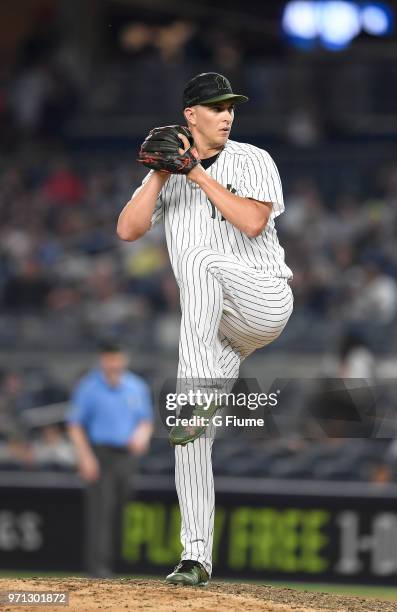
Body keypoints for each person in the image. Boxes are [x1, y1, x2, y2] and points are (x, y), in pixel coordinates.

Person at [117, 72, 293, 585]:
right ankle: (195, 557)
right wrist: (158, 173)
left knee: (200, 258)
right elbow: (127, 230)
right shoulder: (173, 173)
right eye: (216, 107)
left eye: (230, 106)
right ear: (190, 116)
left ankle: (192, 395)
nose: (227, 114)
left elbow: (253, 222)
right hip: (219, 330)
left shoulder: (253, 159)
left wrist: (195, 173)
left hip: (262, 299)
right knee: (189, 438)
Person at [66, 340, 153, 578]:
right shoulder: (89, 387)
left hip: (127, 456)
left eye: (117, 357)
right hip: (99, 454)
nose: (113, 362)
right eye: (109, 357)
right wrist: (85, 457)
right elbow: (75, 425)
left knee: (120, 508)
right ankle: (98, 569)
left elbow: (145, 420)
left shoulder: (136, 386)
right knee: (100, 511)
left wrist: (141, 436)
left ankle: (118, 564)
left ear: (124, 358)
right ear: (102, 359)